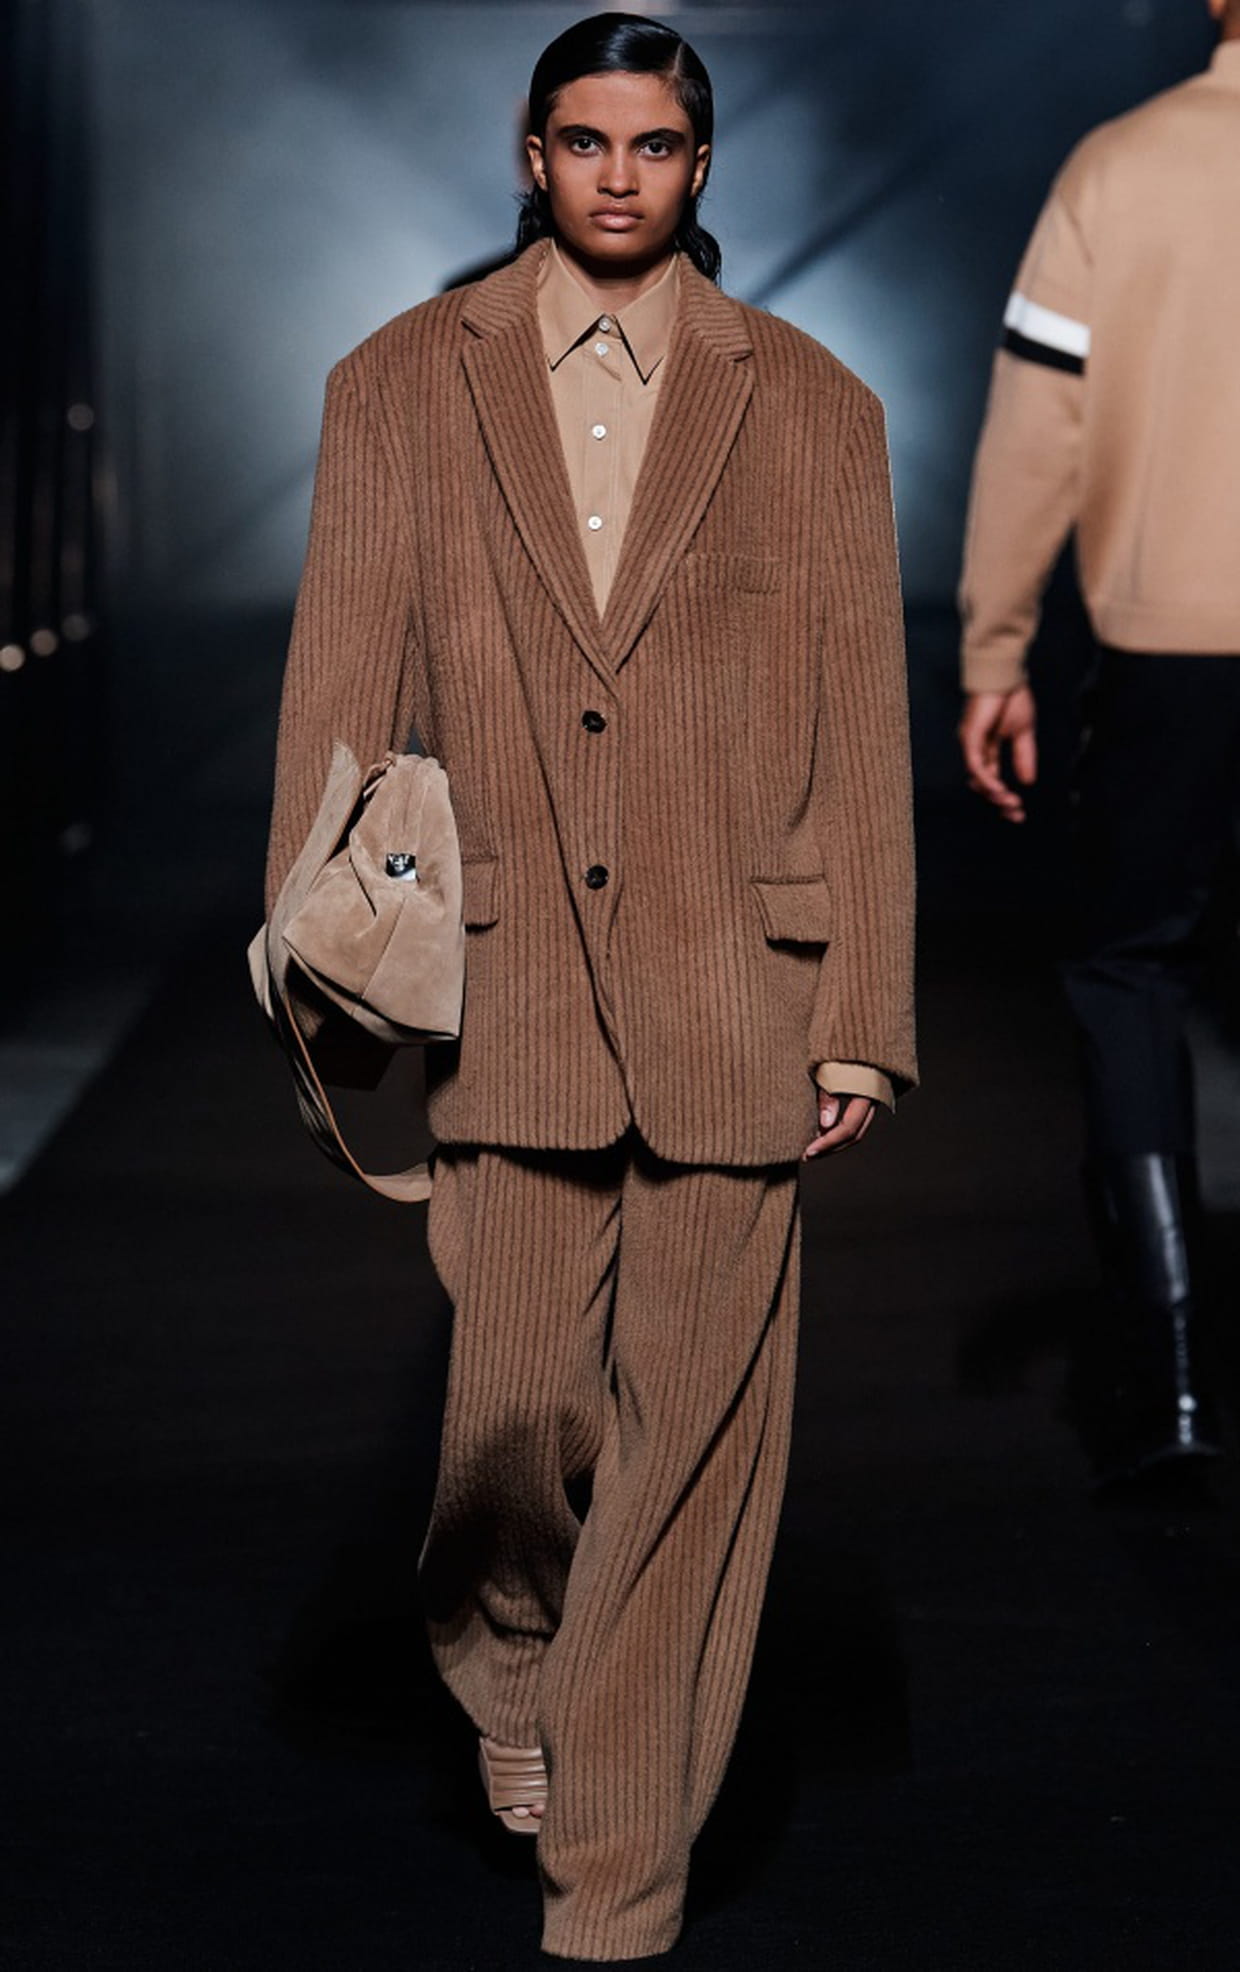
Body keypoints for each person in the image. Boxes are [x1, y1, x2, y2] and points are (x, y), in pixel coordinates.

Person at [264, 13, 916, 1959]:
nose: (616, 174)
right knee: (510, 1423)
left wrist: (863, 1011)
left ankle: (614, 1875)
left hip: (740, 987)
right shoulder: (398, 383)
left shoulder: (815, 405)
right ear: (528, 152)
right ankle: (508, 1652)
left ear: (700, 166)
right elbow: (339, 695)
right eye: (582, 139)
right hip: (508, 991)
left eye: (652, 144)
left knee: (690, 1458)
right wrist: (322, 968)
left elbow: (862, 730)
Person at [957, 0, 1240, 1491]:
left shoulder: (1120, 166)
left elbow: (1036, 433)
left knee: (1130, 972)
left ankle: (1177, 1371)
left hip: (1169, 651)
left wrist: (993, 649)